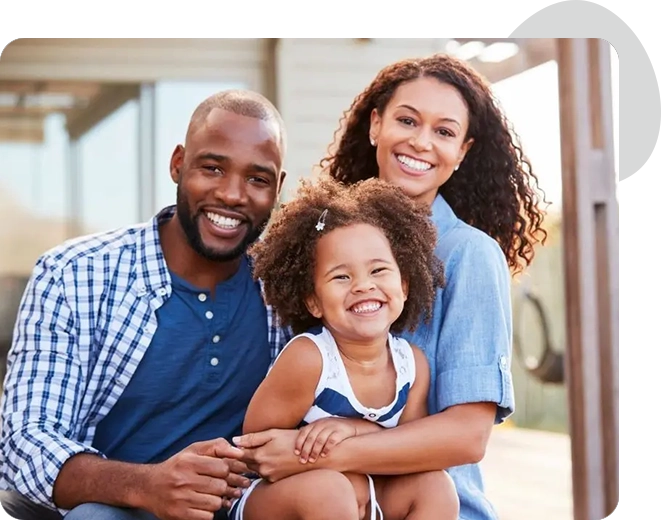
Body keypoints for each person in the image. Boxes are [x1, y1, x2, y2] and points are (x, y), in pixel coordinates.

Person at [232, 53, 548, 520]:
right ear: (376, 124)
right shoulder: (323, 238)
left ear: (462, 151)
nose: (421, 142)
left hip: (429, 504)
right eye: (407, 120)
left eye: (444, 131)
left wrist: (319, 449)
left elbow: (467, 435)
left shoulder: (469, 256)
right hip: (320, 499)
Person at [0, 89, 293, 520]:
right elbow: (25, 441)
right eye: (212, 168)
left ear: (278, 187)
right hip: (114, 507)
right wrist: (148, 486)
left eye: (257, 179)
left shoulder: (289, 290)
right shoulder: (74, 275)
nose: (233, 194)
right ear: (178, 164)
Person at [230, 176, 457, 520]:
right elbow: (257, 448)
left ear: (405, 285)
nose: (364, 286)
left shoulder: (412, 366)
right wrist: (321, 452)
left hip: (366, 497)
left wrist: (353, 430)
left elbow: (409, 450)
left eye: (379, 270)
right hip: (280, 500)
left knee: (435, 485)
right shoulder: (310, 359)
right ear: (313, 302)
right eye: (341, 277)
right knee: (331, 491)